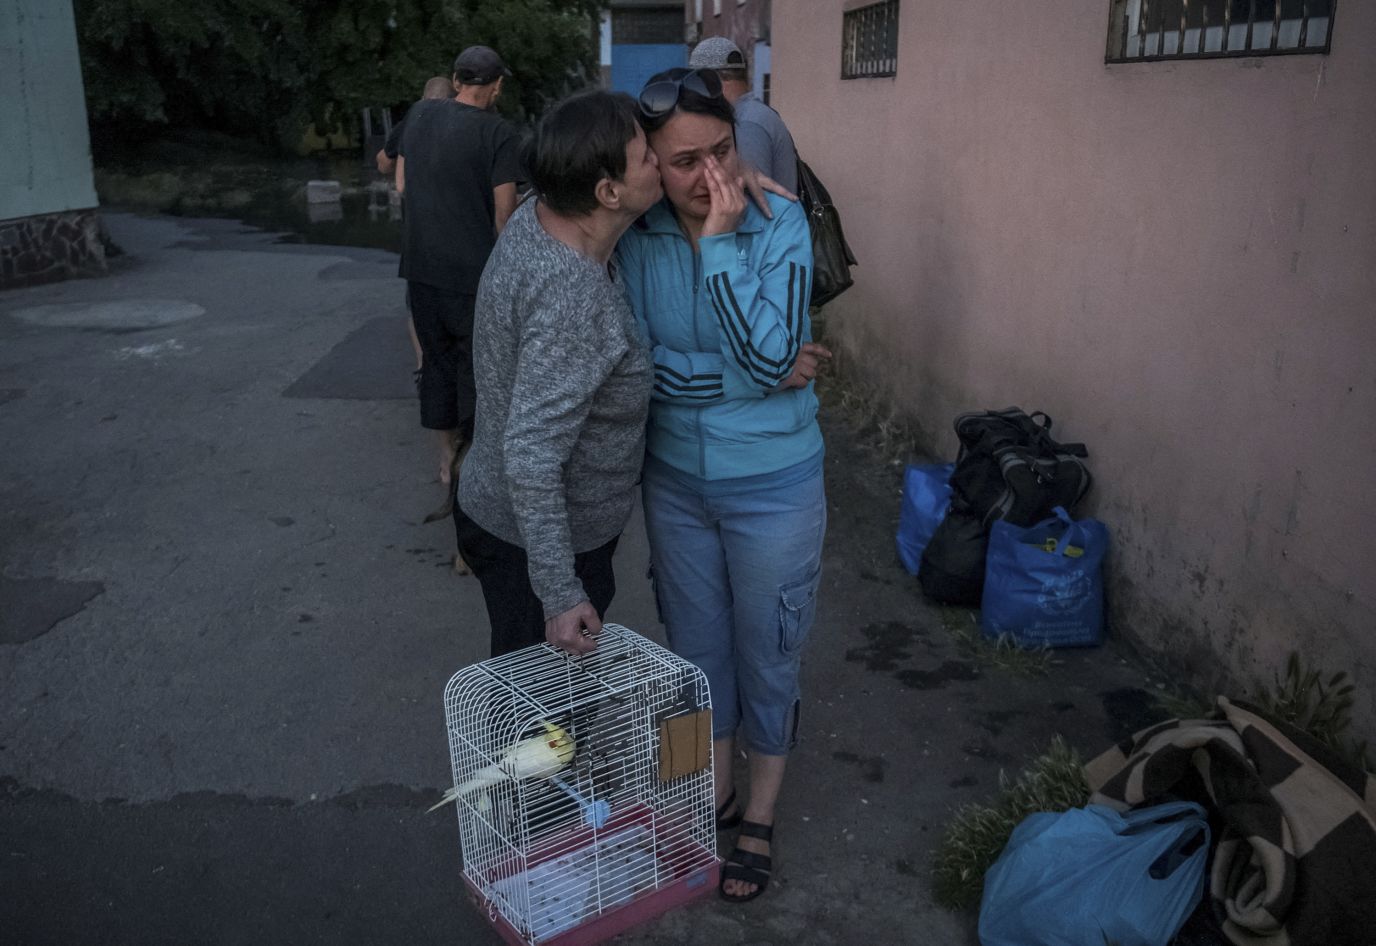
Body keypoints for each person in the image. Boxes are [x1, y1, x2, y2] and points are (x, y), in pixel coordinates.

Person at [615, 67, 830, 903]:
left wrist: (717, 249)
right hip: (673, 483)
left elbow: (777, 360)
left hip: (773, 484)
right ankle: (701, 792)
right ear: (646, 167)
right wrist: (749, 374)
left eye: (722, 151)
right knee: (690, 660)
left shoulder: (778, 221)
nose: (710, 178)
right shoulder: (633, 234)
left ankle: (759, 817)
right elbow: (638, 368)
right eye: (682, 163)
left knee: (768, 654)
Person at [455, 90, 661, 658]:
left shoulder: (540, 213)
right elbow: (531, 453)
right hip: (539, 548)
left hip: (503, 517)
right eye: (648, 156)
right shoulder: (573, 298)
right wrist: (561, 595)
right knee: (542, 731)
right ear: (608, 192)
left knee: (533, 712)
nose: (660, 163)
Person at [396, 46, 521, 494]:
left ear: (455, 81)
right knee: (478, 378)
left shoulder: (419, 116)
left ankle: (446, 459)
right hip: (473, 281)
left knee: (436, 366)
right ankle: (473, 479)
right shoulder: (498, 133)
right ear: (497, 85)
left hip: (420, 272)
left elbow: (398, 170)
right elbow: (504, 216)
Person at [375, 76, 455, 388]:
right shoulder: (468, 123)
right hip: (458, 230)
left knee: (417, 301)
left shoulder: (413, 121)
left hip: (418, 232)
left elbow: (384, 162)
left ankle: (423, 363)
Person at [688, 36, 797, 194]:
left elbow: (753, 203)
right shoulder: (753, 114)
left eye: (695, 83)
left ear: (713, 80)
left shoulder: (747, 123)